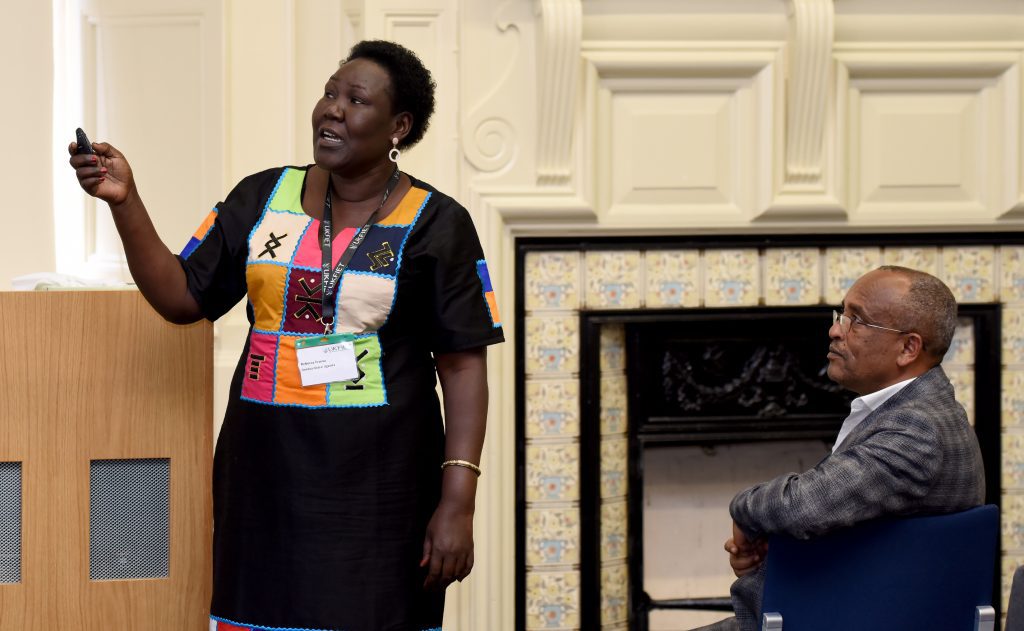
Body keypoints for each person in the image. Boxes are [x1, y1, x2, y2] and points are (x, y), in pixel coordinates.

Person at [69, 40, 503, 631]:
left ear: (399, 125)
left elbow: (462, 365)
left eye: (356, 99)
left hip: (382, 492)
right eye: (329, 92)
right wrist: (125, 201)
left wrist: (458, 501)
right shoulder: (260, 197)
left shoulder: (437, 222)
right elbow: (180, 296)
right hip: (264, 482)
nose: (332, 109)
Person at [700, 266, 985, 631]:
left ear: (908, 348)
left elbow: (803, 506)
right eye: (842, 315)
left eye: (857, 321)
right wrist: (780, 551)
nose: (835, 330)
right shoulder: (917, 412)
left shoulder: (916, 430)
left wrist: (744, 511)